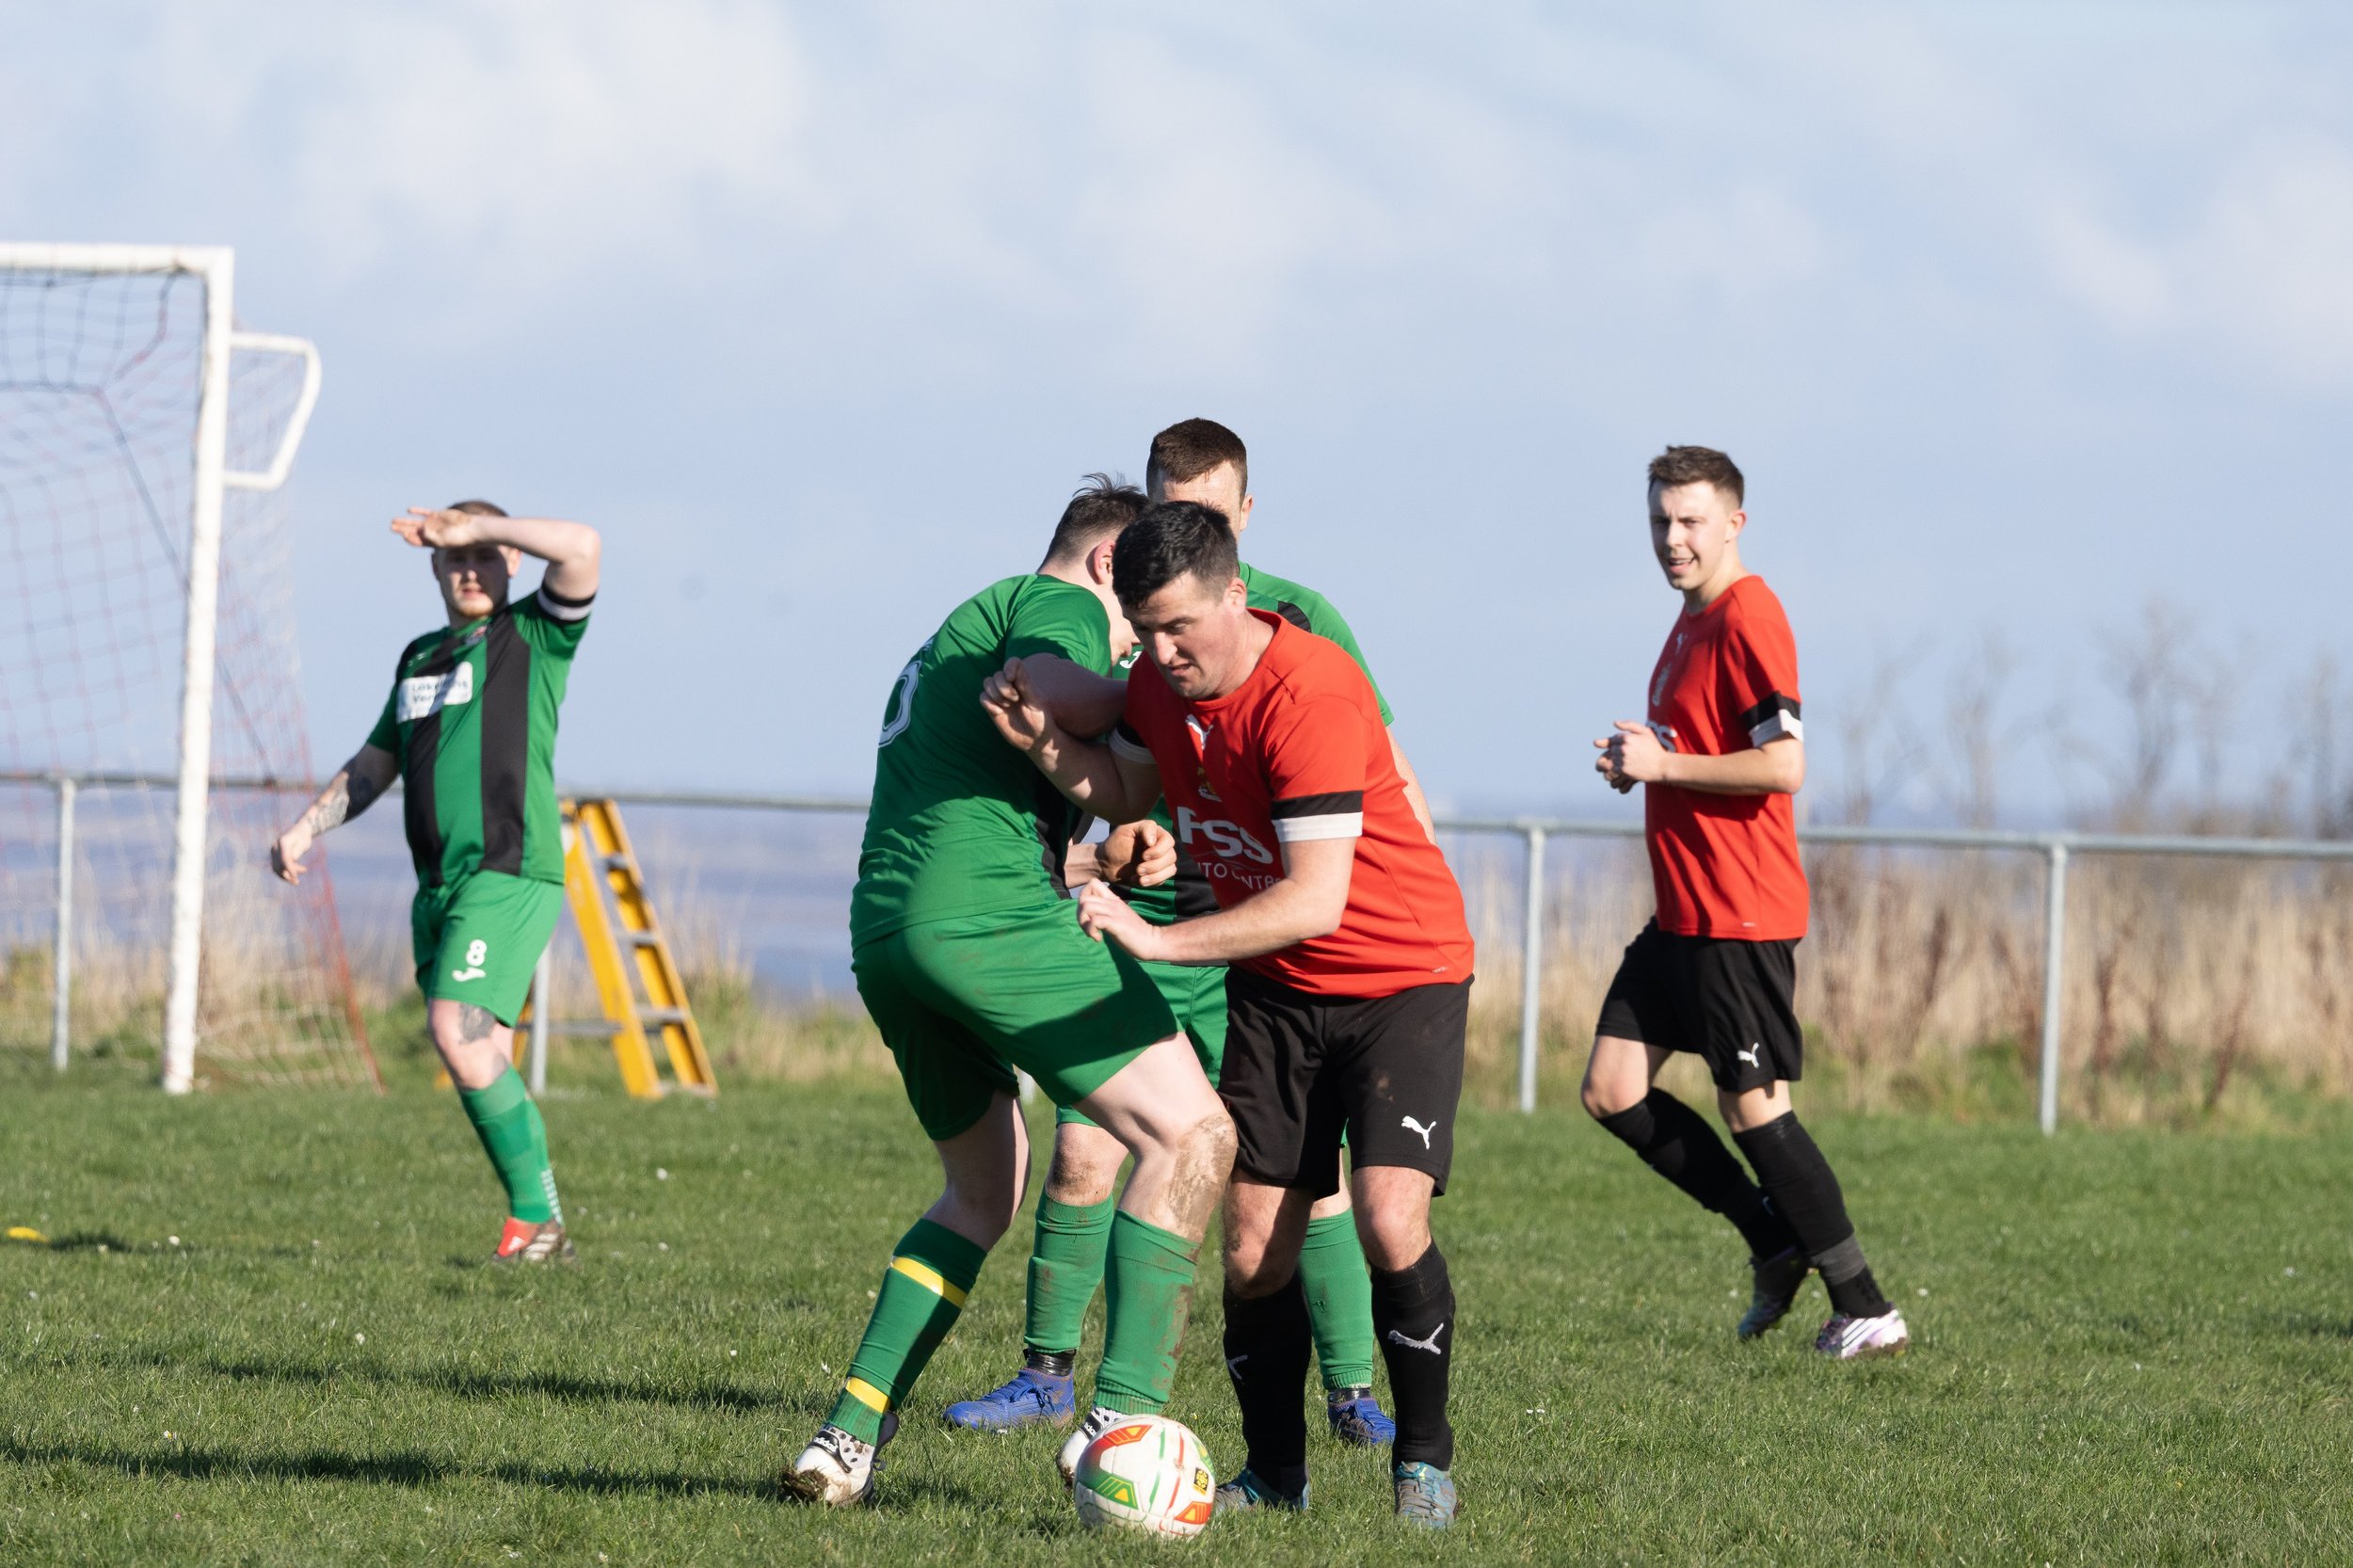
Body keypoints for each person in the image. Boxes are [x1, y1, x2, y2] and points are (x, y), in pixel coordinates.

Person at [984, 501, 1474, 1528]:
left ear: (1235, 594)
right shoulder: (1166, 688)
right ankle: (1274, 1477)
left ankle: (1422, 1462)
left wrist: (1157, 939)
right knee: (1253, 1250)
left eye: (1180, 629)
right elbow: (1125, 784)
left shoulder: (1314, 692)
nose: (1161, 654)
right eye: (1145, 630)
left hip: (1400, 977)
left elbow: (1316, 898)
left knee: (1389, 1217)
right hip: (1281, 987)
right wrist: (1041, 745)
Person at [944, 420, 1407, 1448]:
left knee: (1297, 1180)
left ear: (1244, 520)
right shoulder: (1125, 621)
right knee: (1083, 1149)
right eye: (1167, 508)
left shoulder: (1299, 621)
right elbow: (1121, 776)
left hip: (1259, 936)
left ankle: (1348, 1390)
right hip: (1141, 921)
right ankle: (1045, 1377)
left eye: (1206, 509)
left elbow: (1368, 768)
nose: (1185, 525)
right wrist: (1116, 844)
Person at [780, 478, 1235, 1506]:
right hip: (984, 920)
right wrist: (1177, 692)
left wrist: (1104, 847)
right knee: (1193, 1134)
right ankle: (1120, 1426)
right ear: (1111, 565)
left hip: (892, 931)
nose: (1146, 639)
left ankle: (846, 1434)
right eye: (1145, 611)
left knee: (984, 1189)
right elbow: (1046, 677)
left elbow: (998, 783)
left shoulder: (951, 631)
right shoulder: (1059, 604)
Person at [1584, 444, 1908, 1361]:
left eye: (1689, 520)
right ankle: (1771, 1241)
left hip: (1738, 912)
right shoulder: (1686, 626)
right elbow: (1700, 750)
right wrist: (1641, 760)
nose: (1672, 538)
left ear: (1733, 521)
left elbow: (1784, 763)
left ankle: (1865, 1304)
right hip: (1681, 914)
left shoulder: (1749, 615)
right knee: (1611, 1090)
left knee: (1754, 1106)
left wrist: (1665, 764)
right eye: (1659, 520)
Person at [271, 501, 600, 1263]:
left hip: (508, 870)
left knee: (458, 1029)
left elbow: (583, 547)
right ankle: (544, 1229)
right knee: (481, 1052)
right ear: (434, 568)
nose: (470, 568)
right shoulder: (420, 658)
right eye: (455, 556)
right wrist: (304, 826)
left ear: (510, 561)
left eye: (484, 553)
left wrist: (483, 525)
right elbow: (374, 765)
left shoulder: (532, 636)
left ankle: (533, 1223)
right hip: (441, 888)